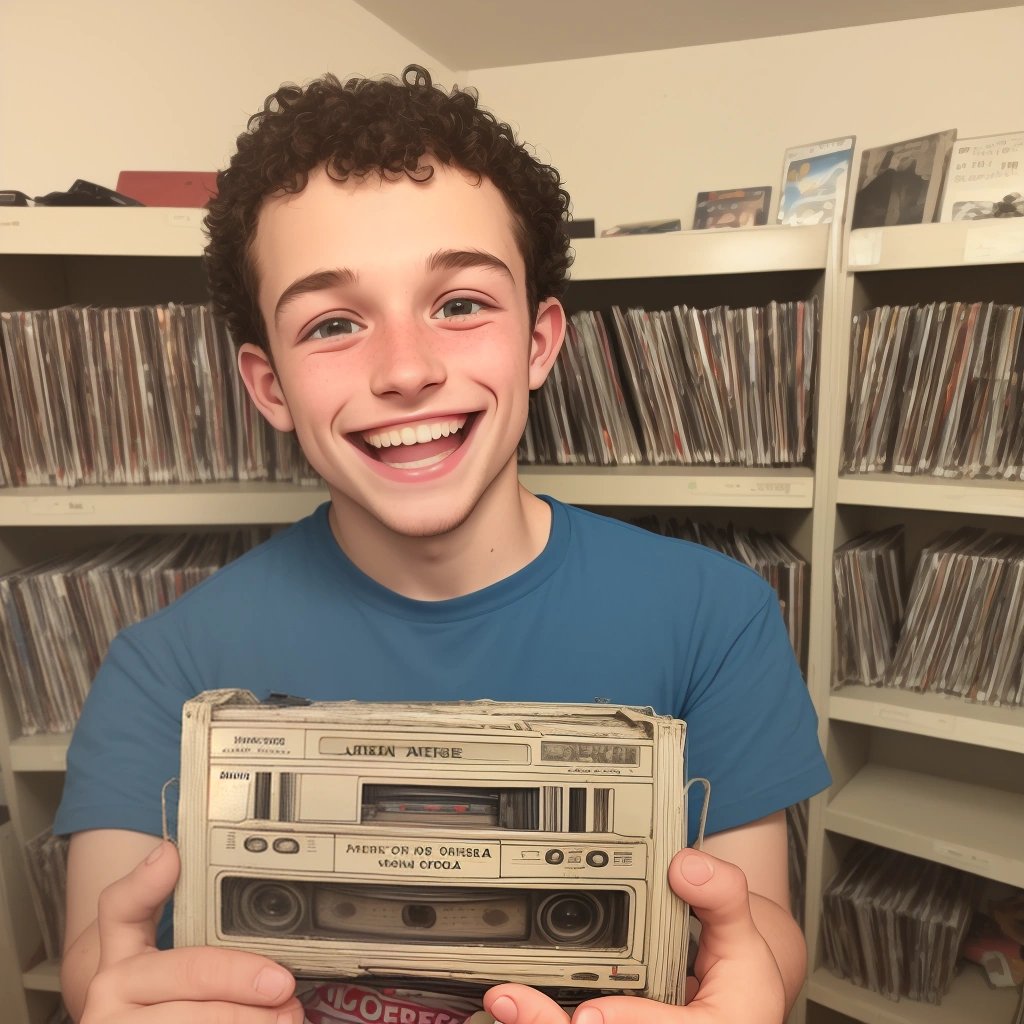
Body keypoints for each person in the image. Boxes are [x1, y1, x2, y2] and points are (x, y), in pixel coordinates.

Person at [55, 65, 830, 1024]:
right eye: (334, 323)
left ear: (540, 342)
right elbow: (100, 951)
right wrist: (111, 995)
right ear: (269, 387)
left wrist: (756, 985)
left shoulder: (717, 618)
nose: (408, 371)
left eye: (460, 304)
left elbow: (761, 925)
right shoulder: (156, 668)